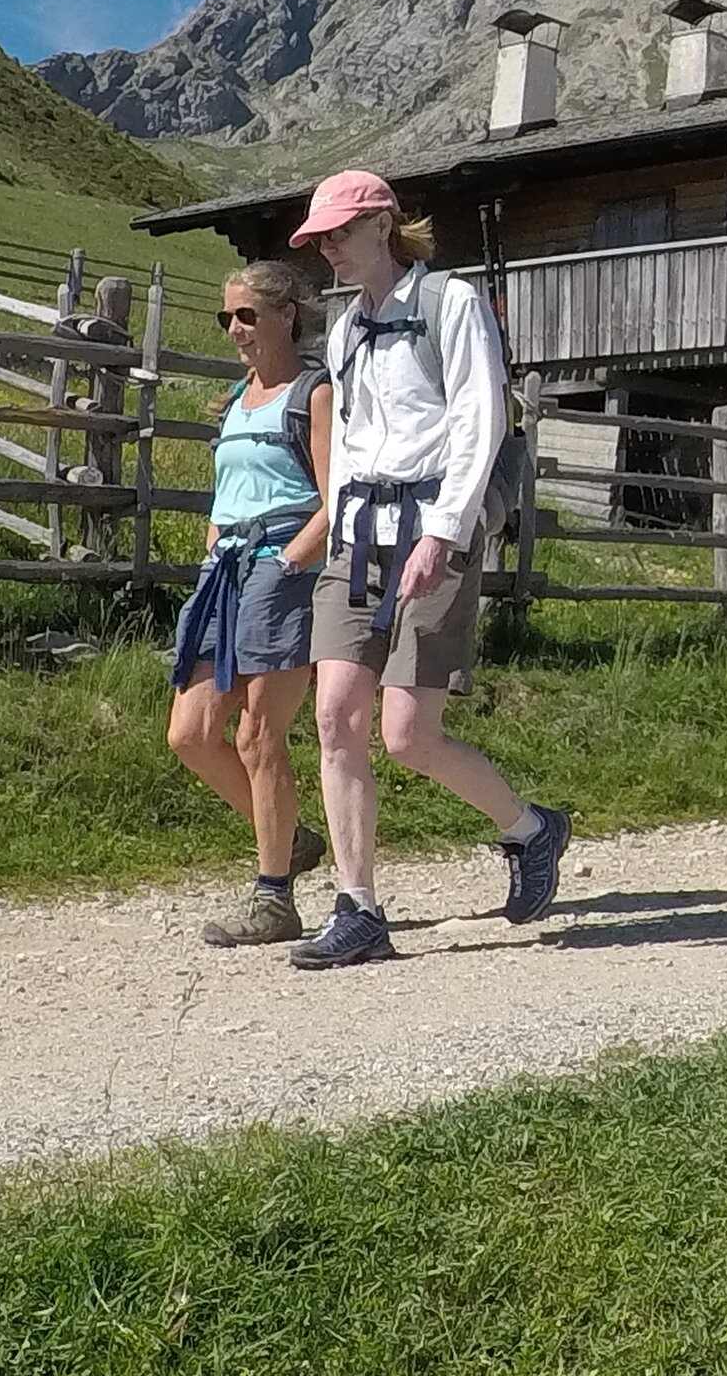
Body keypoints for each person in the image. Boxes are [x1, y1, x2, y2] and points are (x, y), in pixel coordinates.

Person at [286, 170, 570, 970]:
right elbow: (349, 441)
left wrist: (443, 534)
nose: (329, 249)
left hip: (433, 529)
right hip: (359, 536)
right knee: (336, 716)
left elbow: (482, 419)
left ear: (382, 223)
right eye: (320, 240)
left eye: (339, 233)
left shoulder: (450, 305)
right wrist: (337, 534)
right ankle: (359, 907)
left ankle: (531, 829)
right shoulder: (346, 331)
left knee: (407, 733)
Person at [165, 261, 335, 946]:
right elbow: (224, 494)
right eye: (226, 317)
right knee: (190, 732)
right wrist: (213, 549)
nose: (235, 329)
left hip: (283, 571)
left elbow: (337, 494)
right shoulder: (237, 399)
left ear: (287, 313)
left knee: (257, 735)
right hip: (226, 575)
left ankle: (274, 899)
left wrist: (293, 561)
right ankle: (288, 838)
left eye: (246, 315)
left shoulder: (313, 393)